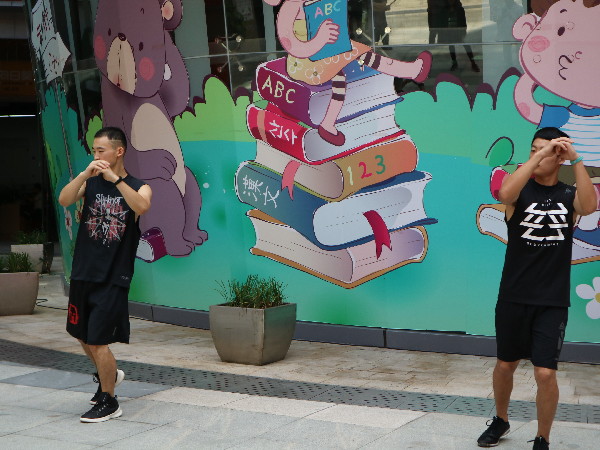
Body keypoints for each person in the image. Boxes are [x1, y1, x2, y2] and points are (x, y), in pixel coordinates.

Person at [477, 127, 597, 449]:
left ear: (559, 159)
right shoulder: (520, 192)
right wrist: (540, 155)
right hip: (514, 295)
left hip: (551, 299)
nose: (537, 155)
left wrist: (576, 158)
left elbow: (589, 206)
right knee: (506, 364)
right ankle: (501, 419)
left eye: (545, 151)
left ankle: (543, 437)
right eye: (533, 149)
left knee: (545, 373)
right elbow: (504, 194)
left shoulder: (569, 195)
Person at [58, 127, 152, 422]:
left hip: (113, 275)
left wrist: (116, 180)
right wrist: (84, 175)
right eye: (94, 150)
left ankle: (109, 401)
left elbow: (142, 205)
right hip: (83, 270)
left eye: (101, 150)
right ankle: (108, 374)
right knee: (82, 335)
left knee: (98, 340)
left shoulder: (138, 186)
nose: (96, 155)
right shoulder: (91, 182)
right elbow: (64, 199)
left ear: (118, 151)